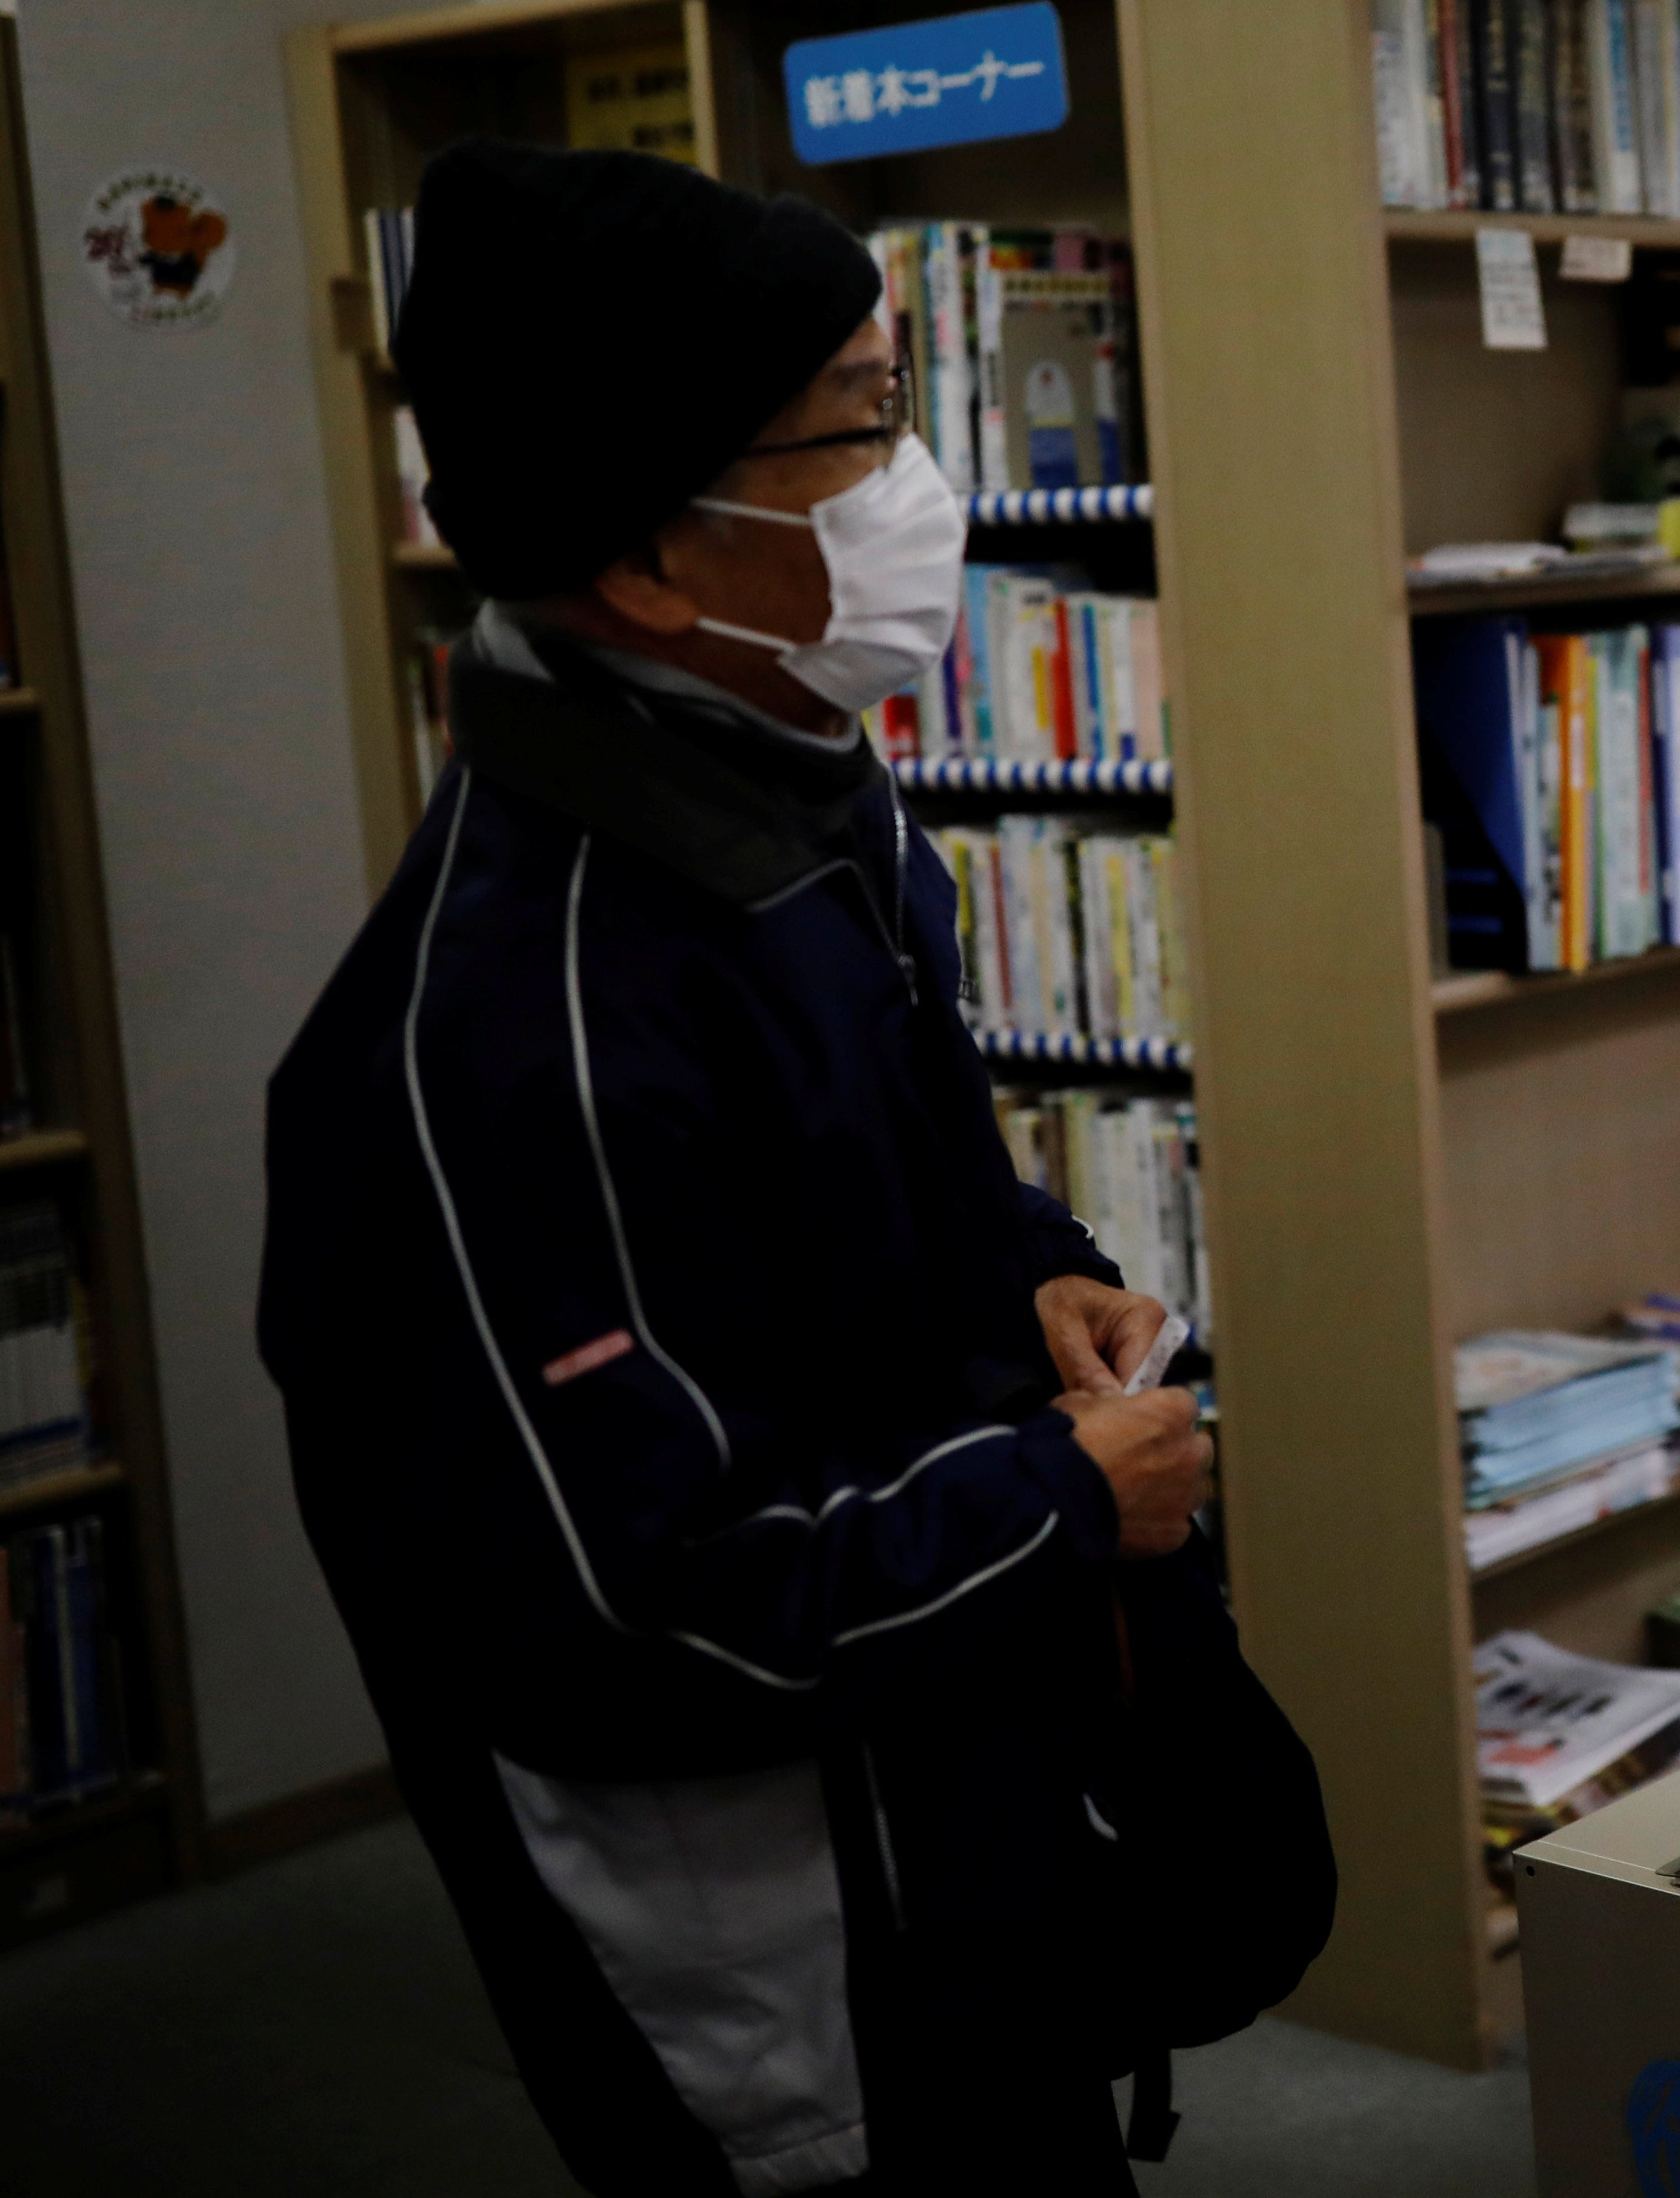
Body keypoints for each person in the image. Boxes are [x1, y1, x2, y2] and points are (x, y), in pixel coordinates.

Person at [258, 141, 1330, 2195]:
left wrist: (1032, 1271)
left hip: (959, 1834)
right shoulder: (503, 1033)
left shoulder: (789, 782)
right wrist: (1053, 1495)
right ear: (655, 559)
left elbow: (904, 1163)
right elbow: (625, 1608)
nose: (919, 477)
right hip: (792, 1993)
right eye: (864, 419)